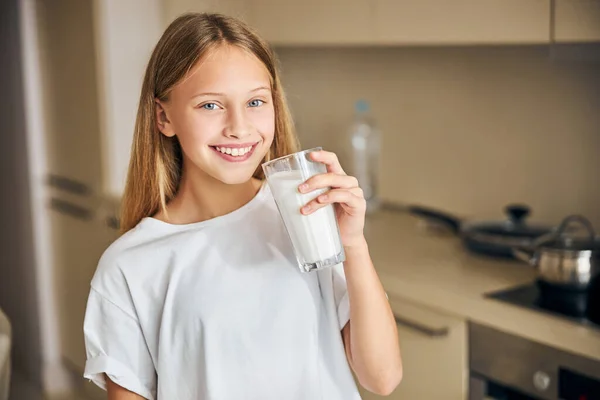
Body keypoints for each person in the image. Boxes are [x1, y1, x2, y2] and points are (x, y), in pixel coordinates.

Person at [82, 12, 402, 400]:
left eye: (255, 101)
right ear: (164, 116)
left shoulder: (307, 216)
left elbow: (382, 378)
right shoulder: (129, 266)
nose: (239, 127)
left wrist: (353, 244)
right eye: (210, 106)